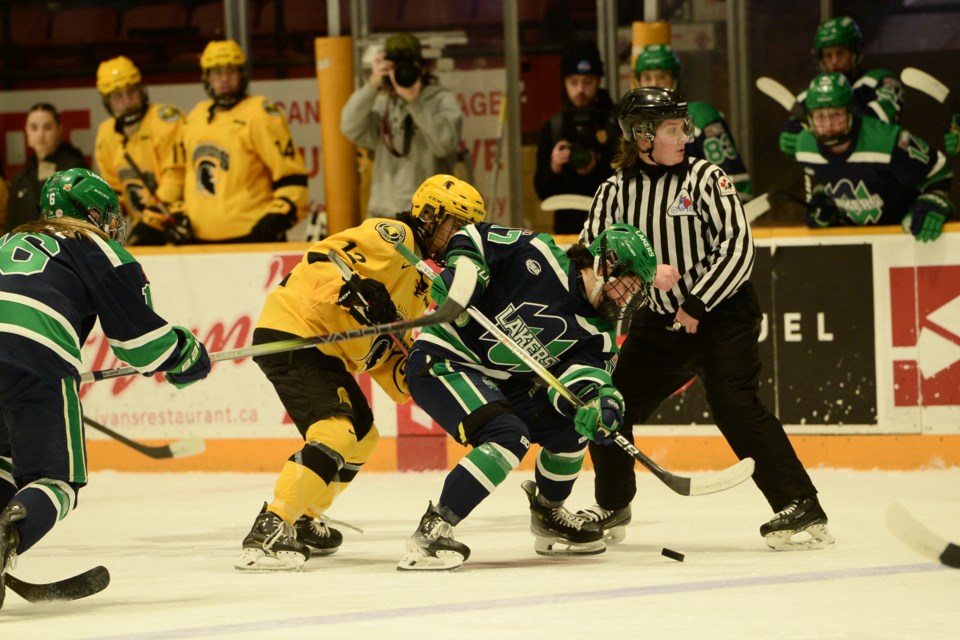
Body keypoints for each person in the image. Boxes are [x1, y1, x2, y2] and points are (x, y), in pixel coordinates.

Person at [578, 87, 834, 551]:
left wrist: (696, 304)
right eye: (672, 130)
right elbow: (589, 254)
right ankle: (613, 503)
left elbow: (738, 247)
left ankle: (800, 505)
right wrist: (641, 271)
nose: (684, 138)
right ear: (641, 136)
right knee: (610, 405)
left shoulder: (705, 178)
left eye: (683, 128)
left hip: (722, 315)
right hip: (659, 323)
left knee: (734, 404)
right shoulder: (613, 192)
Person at [237, 174, 485, 571]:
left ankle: (302, 517)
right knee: (335, 432)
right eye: (455, 224)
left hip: (324, 349)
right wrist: (354, 288)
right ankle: (272, 525)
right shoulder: (395, 236)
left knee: (364, 437)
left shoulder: (424, 282)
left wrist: (417, 374)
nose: (459, 235)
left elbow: (384, 348)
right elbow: (325, 258)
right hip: (296, 333)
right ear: (430, 215)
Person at [0, 168, 212, 606]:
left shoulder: (7, 240)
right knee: (55, 480)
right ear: (91, 213)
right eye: (107, 215)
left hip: (17, 353)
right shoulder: (95, 246)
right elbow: (140, 342)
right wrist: (187, 356)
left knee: (4, 460)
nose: (112, 224)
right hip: (34, 355)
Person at [397, 222, 658, 572]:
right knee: (507, 436)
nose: (627, 299)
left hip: (502, 381)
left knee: (572, 425)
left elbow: (582, 377)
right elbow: (472, 237)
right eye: (628, 286)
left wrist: (600, 402)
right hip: (445, 360)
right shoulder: (538, 252)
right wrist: (464, 279)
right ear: (604, 263)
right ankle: (433, 530)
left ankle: (548, 513)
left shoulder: (599, 333)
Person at [786, 73, 954, 240]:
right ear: (809, 118)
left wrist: (934, 201)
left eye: (836, 115)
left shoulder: (885, 140)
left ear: (851, 111)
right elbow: (830, 178)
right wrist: (826, 203)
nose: (829, 126)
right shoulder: (804, 146)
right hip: (857, 244)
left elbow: (938, 172)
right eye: (820, 117)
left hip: (904, 236)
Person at [180, 40, 308, 243]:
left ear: (242, 74)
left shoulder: (260, 113)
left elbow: (291, 175)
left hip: (252, 236)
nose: (224, 80)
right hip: (199, 240)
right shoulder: (196, 115)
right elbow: (186, 175)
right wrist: (179, 213)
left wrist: (279, 213)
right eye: (216, 73)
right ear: (207, 78)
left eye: (230, 72)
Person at [340, 32, 463, 219]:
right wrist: (372, 84)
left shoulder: (440, 100)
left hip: (428, 214)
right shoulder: (383, 103)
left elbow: (444, 145)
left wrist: (415, 103)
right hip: (383, 213)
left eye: (408, 66)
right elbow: (349, 126)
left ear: (422, 68)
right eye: (395, 68)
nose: (402, 73)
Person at [633, 43, 752, 199]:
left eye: (662, 77)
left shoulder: (698, 116)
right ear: (638, 82)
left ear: (675, 80)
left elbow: (734, 184)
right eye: (647, 77)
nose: (654, 84)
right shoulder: (633, 124)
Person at [94, 56, 187, 246]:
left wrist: (151, 219)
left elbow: (177, 177)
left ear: (141, 90)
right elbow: (114, 191)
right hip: (145, 225)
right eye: (118, 96)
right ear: (107, 101)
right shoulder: (106, 135)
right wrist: (105, 219)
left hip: (178, 219)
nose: (127, 101)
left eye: (131, 92)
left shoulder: (167, 121)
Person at [780, 16, 904, 156]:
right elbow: (791, 133)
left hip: (878, 168)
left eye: (840, 53)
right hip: (830, 174)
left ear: (855, 52)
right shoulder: (811, 94)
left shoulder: (879, 80)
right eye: (828, 55)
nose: (834, 61)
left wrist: (817, 132)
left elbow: (878, 123)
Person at [534, 39, 618, 234]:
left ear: (598, 81)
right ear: (564, 82)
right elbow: (541, 191)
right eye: (573, 82)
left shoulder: (615, 123)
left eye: (587, 82)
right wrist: (554, 166)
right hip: (567, 229)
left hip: (612, 227)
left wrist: (598, 164)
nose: (580, 90)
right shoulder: (554, 127)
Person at [5, 103, 86, 233]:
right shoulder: (20, 178)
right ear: (26, 131)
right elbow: (11, 226)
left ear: (59, 130)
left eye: (47, 127)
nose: (40, 134)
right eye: (34, 128)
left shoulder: (73, 171)